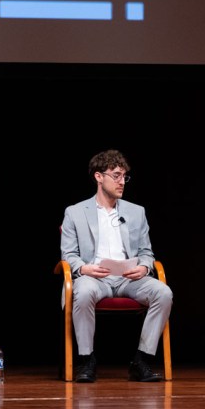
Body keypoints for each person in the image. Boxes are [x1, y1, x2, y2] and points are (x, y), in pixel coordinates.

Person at [60, 150, 173, 383]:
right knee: (82, 291)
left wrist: (144, 267)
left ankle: (141, 360)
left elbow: (146, 252)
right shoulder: (75, 212)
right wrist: (84, 269)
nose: (122, 181)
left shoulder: (136, 212)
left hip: (128, 278)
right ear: (99, 177)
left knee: (163, 292)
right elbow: (68, 255)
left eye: (125, 176)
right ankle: (86, 359)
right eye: (116, 175)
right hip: (94, 277)